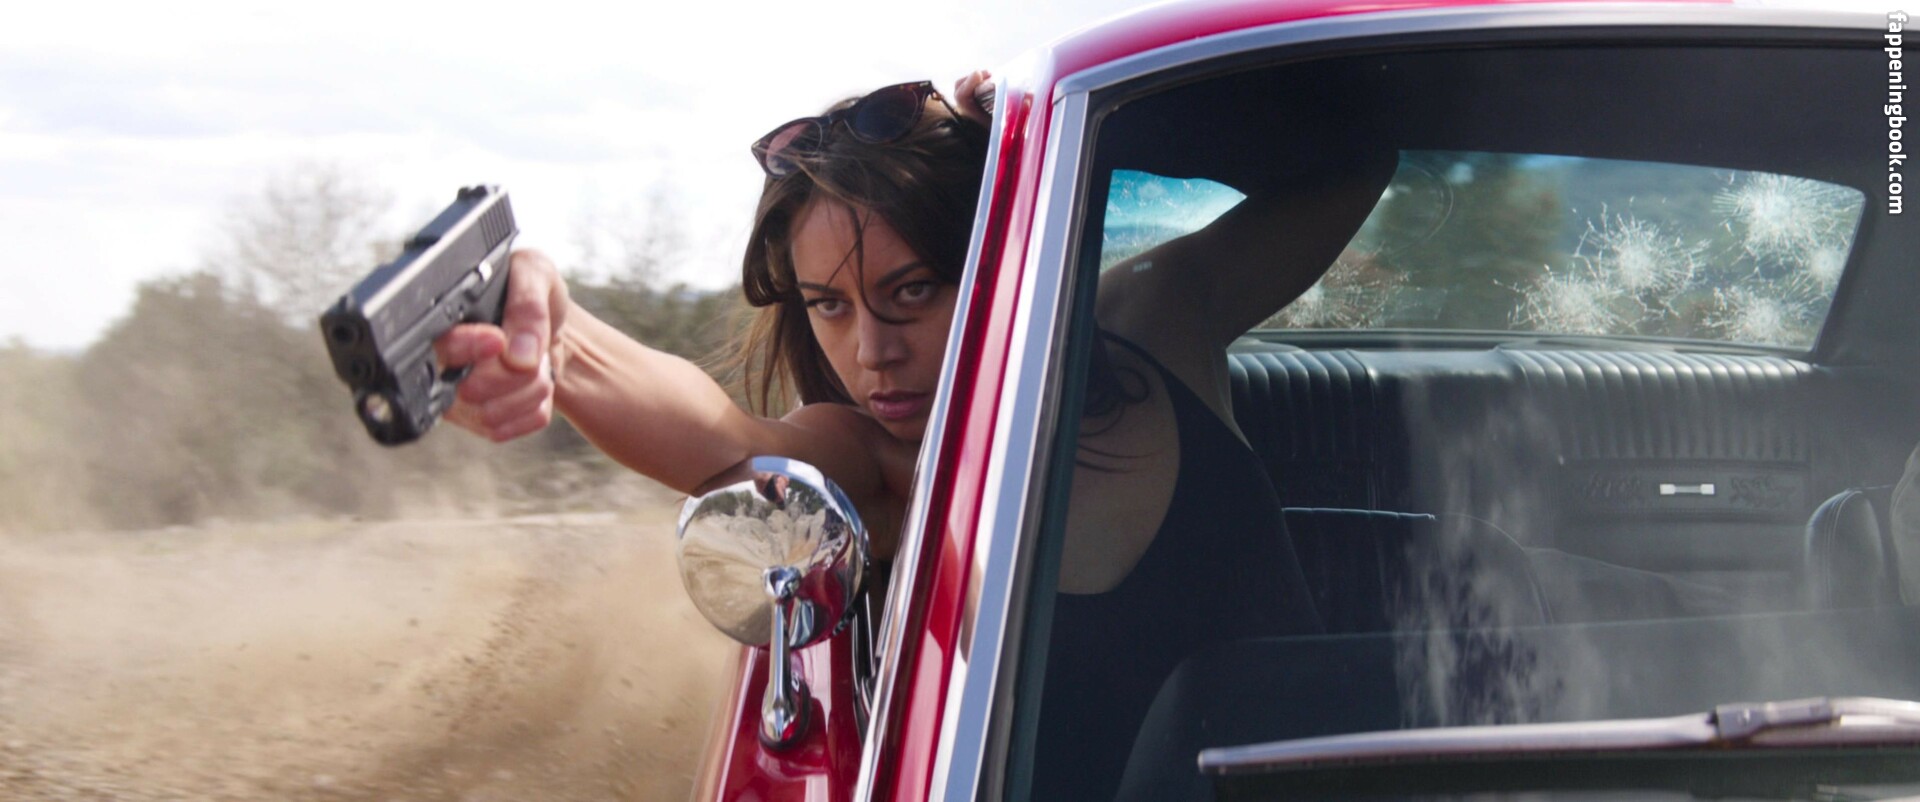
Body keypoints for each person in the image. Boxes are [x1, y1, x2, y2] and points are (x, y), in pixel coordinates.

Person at [432, 70, 1395, 800]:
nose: (872, 352)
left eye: (914, 290)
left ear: (1001, 257)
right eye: (830, 305)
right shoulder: (876, 462)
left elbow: (1355, 162)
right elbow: (722, 441)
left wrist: (1081, 127)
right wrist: (557, 333)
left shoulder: (1158, 317)